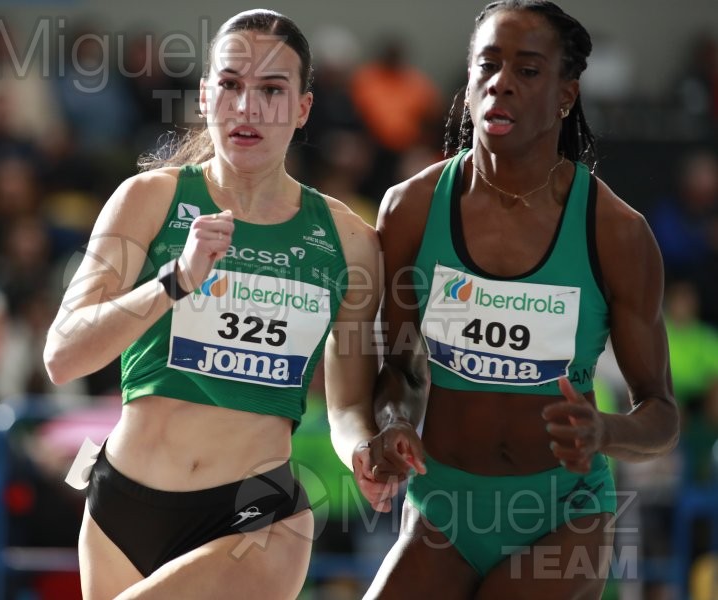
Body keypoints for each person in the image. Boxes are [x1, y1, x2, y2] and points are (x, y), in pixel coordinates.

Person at [43, 9, 381, 599]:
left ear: (302, 109)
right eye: (231, 85)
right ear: (205, 96)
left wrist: (361, 449)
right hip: (123, 506)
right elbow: (63, 356)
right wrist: (173, 282)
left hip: (256, 515)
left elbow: (348, 402)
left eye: (272, 90)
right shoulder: (148, 200)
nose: (248, 107)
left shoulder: (348, 241)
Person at [349, 2, 680, 598]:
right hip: (444, 508)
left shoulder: (616, 232)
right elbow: (399, 368)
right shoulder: (410, 210)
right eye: (488, 65)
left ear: (565, 95)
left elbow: (661, 416)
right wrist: (394, 422)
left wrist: (603, 431)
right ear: (471, 82)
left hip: (562, 513)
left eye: (528, 70)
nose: (502, 81)